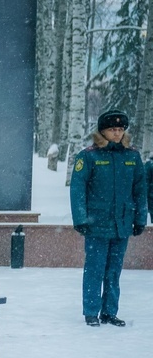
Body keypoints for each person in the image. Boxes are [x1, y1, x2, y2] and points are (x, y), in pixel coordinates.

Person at [70, 109, 147, 327]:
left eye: (120, 129)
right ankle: (91, 312)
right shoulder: (89, 155)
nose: (117, 133)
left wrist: (140, 218)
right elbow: (78, 189)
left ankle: (109, 312)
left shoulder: (132, 156)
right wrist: (81, 219)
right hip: (96, 224)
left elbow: (140, 189)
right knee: (95, 269)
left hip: (121, 224)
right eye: (112, 129)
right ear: (103, 131)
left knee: (114, 271)